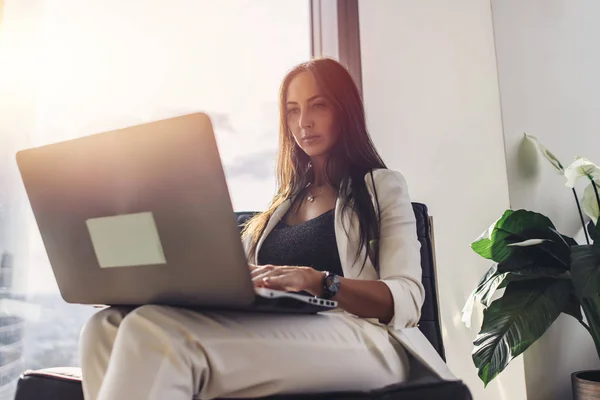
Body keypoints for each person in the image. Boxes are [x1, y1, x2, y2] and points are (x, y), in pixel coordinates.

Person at [79, 58, 445, 400]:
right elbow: (229, 280)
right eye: (293, 110)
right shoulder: (279, 207)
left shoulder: (381, 186)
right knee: (105, 325)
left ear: (344, 112)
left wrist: (317, 280)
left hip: (367, 339)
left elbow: (407, 299)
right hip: (280, 327)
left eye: (319, 106)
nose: (305, 121)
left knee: (153, 332)